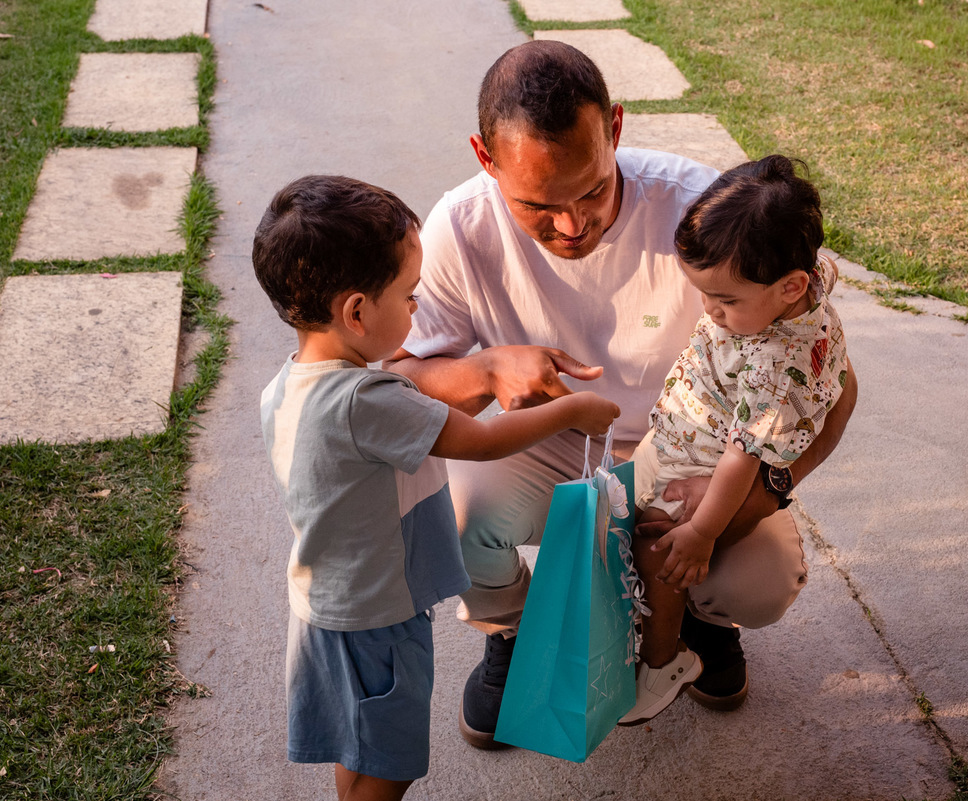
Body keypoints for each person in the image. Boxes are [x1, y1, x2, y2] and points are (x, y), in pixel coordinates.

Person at [389, 41, 858, 749]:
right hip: (542, 445)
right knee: (452, 521)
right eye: (539, 206)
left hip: (691, 453)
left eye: (593, 191)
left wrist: (770, 486)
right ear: (486, 159)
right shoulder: (458, 227)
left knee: (764, 577)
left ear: (614, 129)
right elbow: (396, 381)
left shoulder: (705, 213)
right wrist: (485, 369)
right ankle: (522, 627)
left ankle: (703, 618)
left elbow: (835, 382)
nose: (573, 225)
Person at [253, 174, 619, 800]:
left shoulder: (289, 385)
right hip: (379, 615)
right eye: (409, 295)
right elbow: (478, 441)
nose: (417, 309)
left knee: (360, 740)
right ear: (357, 312)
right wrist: (573, 412)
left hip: (326, 606)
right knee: (392, 762)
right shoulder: (367, 401)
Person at [619, 156, 850, 725]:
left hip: (698, 465)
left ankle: (662, 660)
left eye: (725, 300)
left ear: (790, 285)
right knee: (628, 534)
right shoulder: (807, 290)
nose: (710, 311)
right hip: (679, 439)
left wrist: (700, 532)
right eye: (703, 294)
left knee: (662, 554)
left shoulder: (774, 365)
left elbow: (738, 462)